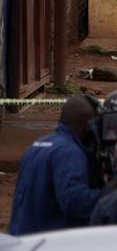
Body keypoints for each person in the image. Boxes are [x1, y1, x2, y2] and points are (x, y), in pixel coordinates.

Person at [9, 94, 102, 235]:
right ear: (88, 126)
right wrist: (109, 193)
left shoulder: (38, 144)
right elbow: (75, 202)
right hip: (48, 240)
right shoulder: (70, 152)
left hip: (23, 236)